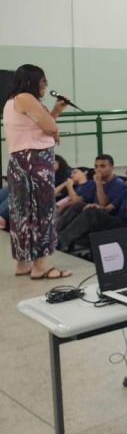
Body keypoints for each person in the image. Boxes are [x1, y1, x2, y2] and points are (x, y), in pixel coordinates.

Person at [4, 65, 72, 278]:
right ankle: (41, 265)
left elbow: (39, 125)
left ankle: (23, 263)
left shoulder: (13, 100)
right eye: (43, 81)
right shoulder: (26, 98)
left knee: (23, 213)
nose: (46, 85)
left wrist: (56, 111)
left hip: (21, 161)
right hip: (34, 161)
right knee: (42, 212)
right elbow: (49, 127)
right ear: (32, 81)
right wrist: (56, 130)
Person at [58, 165, 127, 251]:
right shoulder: (125, 191)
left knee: (91, 213)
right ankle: (55, 234)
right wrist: (97, 207)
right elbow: (109, 208)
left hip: (124, 225)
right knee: (80, 205)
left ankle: (62, 241)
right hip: (114, 219)